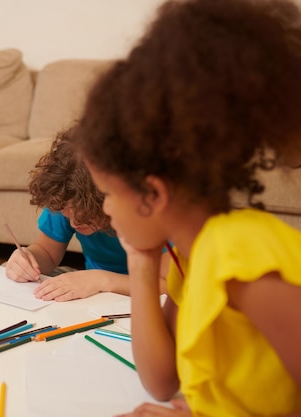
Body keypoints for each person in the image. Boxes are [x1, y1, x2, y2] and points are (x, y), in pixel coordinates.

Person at [73, 0, 301, 415]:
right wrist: (140, 261)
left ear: (153, 195)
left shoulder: (241, 255)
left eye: (107, 192)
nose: (105, 209)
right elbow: (162, 381)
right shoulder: (192, 255)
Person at [5, 130, 168, 301]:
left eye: (87, 217)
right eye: (66, 215)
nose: (74, 223)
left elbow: (168, 286)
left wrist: (102, 280)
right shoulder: (65, 197)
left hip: (147, 294)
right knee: (8, 272)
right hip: (92, 289)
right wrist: (28, 259)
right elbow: (47, 252)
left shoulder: (156, 213)